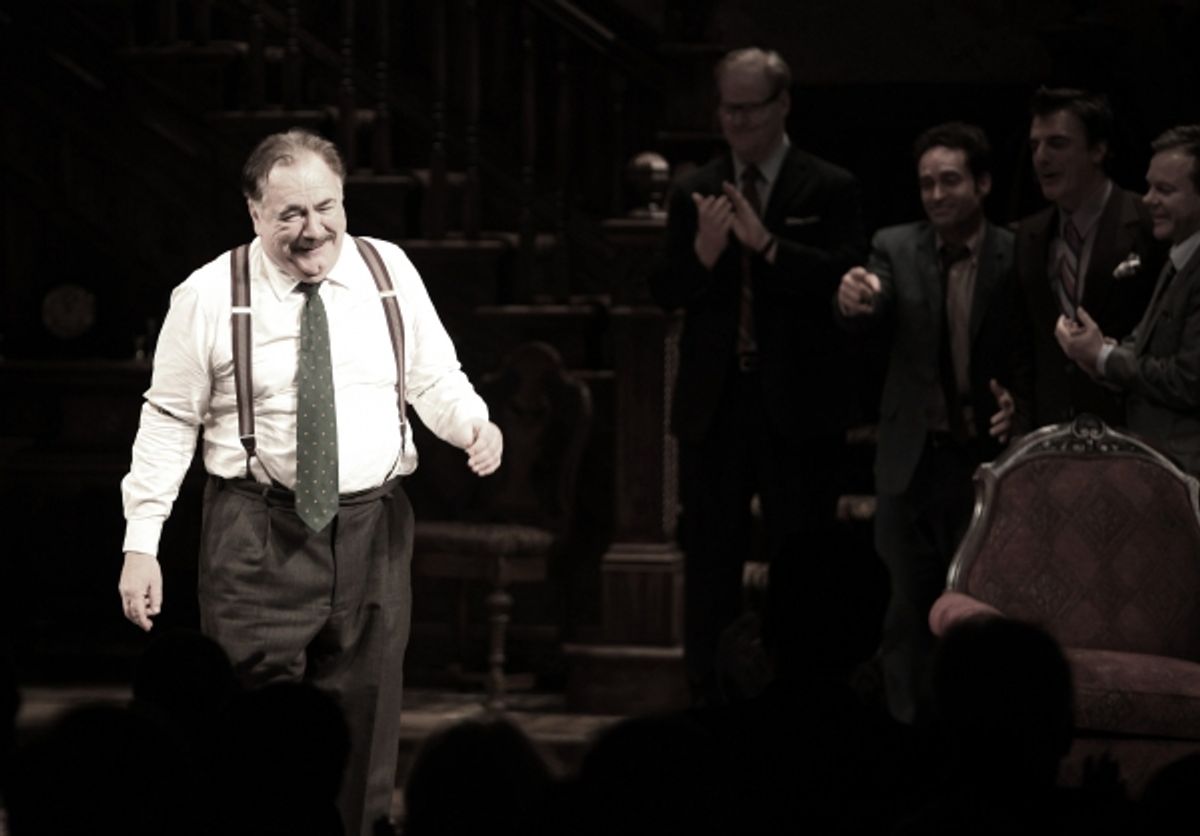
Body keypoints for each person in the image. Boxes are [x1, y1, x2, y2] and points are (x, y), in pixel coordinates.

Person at [117, 128, 503, 836]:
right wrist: (141, 542)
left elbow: (434, 376)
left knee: (366, 725)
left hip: (374, 531)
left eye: (326, 207)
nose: (313, 229)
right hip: (258, 534)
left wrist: (474, 426)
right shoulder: (207, 294)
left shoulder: (388, 271)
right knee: (249, 739)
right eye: (290, 213)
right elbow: (168, 419)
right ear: (254, 211)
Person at [649, 46, 866, 705]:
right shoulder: (696, 188)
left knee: (803, 559)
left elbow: (847, 277)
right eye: (727, 108)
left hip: (798, 401)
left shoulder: (828, 186)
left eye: (749, 108)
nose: (736, 121)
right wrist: (705, 254)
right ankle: (708, 697)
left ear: (782, 105)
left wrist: (768, 248)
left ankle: (805, 697)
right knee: (710, 562)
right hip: (717, 403)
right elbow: (666, 292)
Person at [834, 122, 1019, 724]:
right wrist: (854, 297)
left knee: (981, 612)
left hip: (986, 459)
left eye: (949, 181)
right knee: (903, 614)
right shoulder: (896, 246)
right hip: (913, 457)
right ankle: (907, 744)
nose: (936, 195)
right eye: (926, 185)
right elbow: (874, 300)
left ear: (982, 183)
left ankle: (977, 738)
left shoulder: (1015, 253)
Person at [1013, 87, 1163, 430]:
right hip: (1050, 433)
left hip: (1130, 428)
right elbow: (1025, 345)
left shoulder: (1147, 221)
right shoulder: (1029, 234)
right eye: (1035, 145)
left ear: (1098, 149)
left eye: (1057, 143)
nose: (1041, 158)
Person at [1056, 125, 1200, 477]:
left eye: (1164, 190)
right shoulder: (1177, 259)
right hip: (1162, 467)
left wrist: (1103, 358)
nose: (1148, 199)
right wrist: (1098, 352)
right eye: (1149, 186)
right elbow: (1144, 350)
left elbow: (1189, 380)